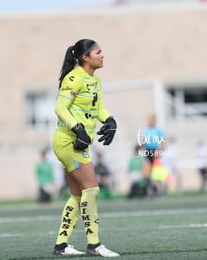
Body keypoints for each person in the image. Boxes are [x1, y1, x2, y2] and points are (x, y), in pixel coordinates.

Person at [52, 39, 119, 257]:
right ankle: (94, 244)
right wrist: (77, 129)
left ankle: (61, 246)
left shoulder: (95, 81)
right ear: (85, 57)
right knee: (92, 189)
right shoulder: (74, 78)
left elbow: (98, 107)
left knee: (78, 195)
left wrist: (109, 120)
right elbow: (60, 108)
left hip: (78, 143)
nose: (103, 55)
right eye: (98, 52)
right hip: (68, 142)